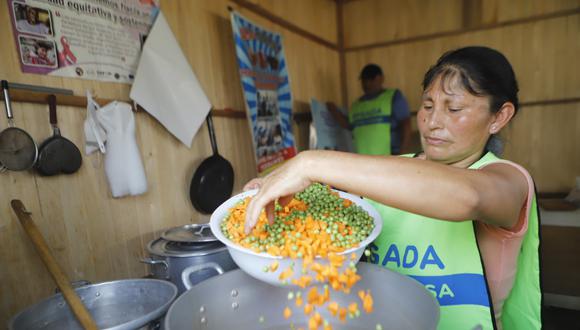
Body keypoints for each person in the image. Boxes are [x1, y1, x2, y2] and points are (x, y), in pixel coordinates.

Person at [243, 46, 541, 329]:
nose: (432, 122)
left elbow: (469, 197)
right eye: (427, 105)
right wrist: (271, 191)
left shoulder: (508, 180)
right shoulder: (391, 171)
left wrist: (308, 163)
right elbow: (326, 208)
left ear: (499, 117)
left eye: (454, 108)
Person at [327, 64, 411, 155]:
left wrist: (402, 153)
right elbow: (349, 125)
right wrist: (334, 111)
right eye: (364, 80)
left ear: (381, 78)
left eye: (371, 79)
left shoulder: (393, 97)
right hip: (363, 161)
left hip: (390, 158)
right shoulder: (356, 105)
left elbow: (406, 125)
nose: (367, 83)